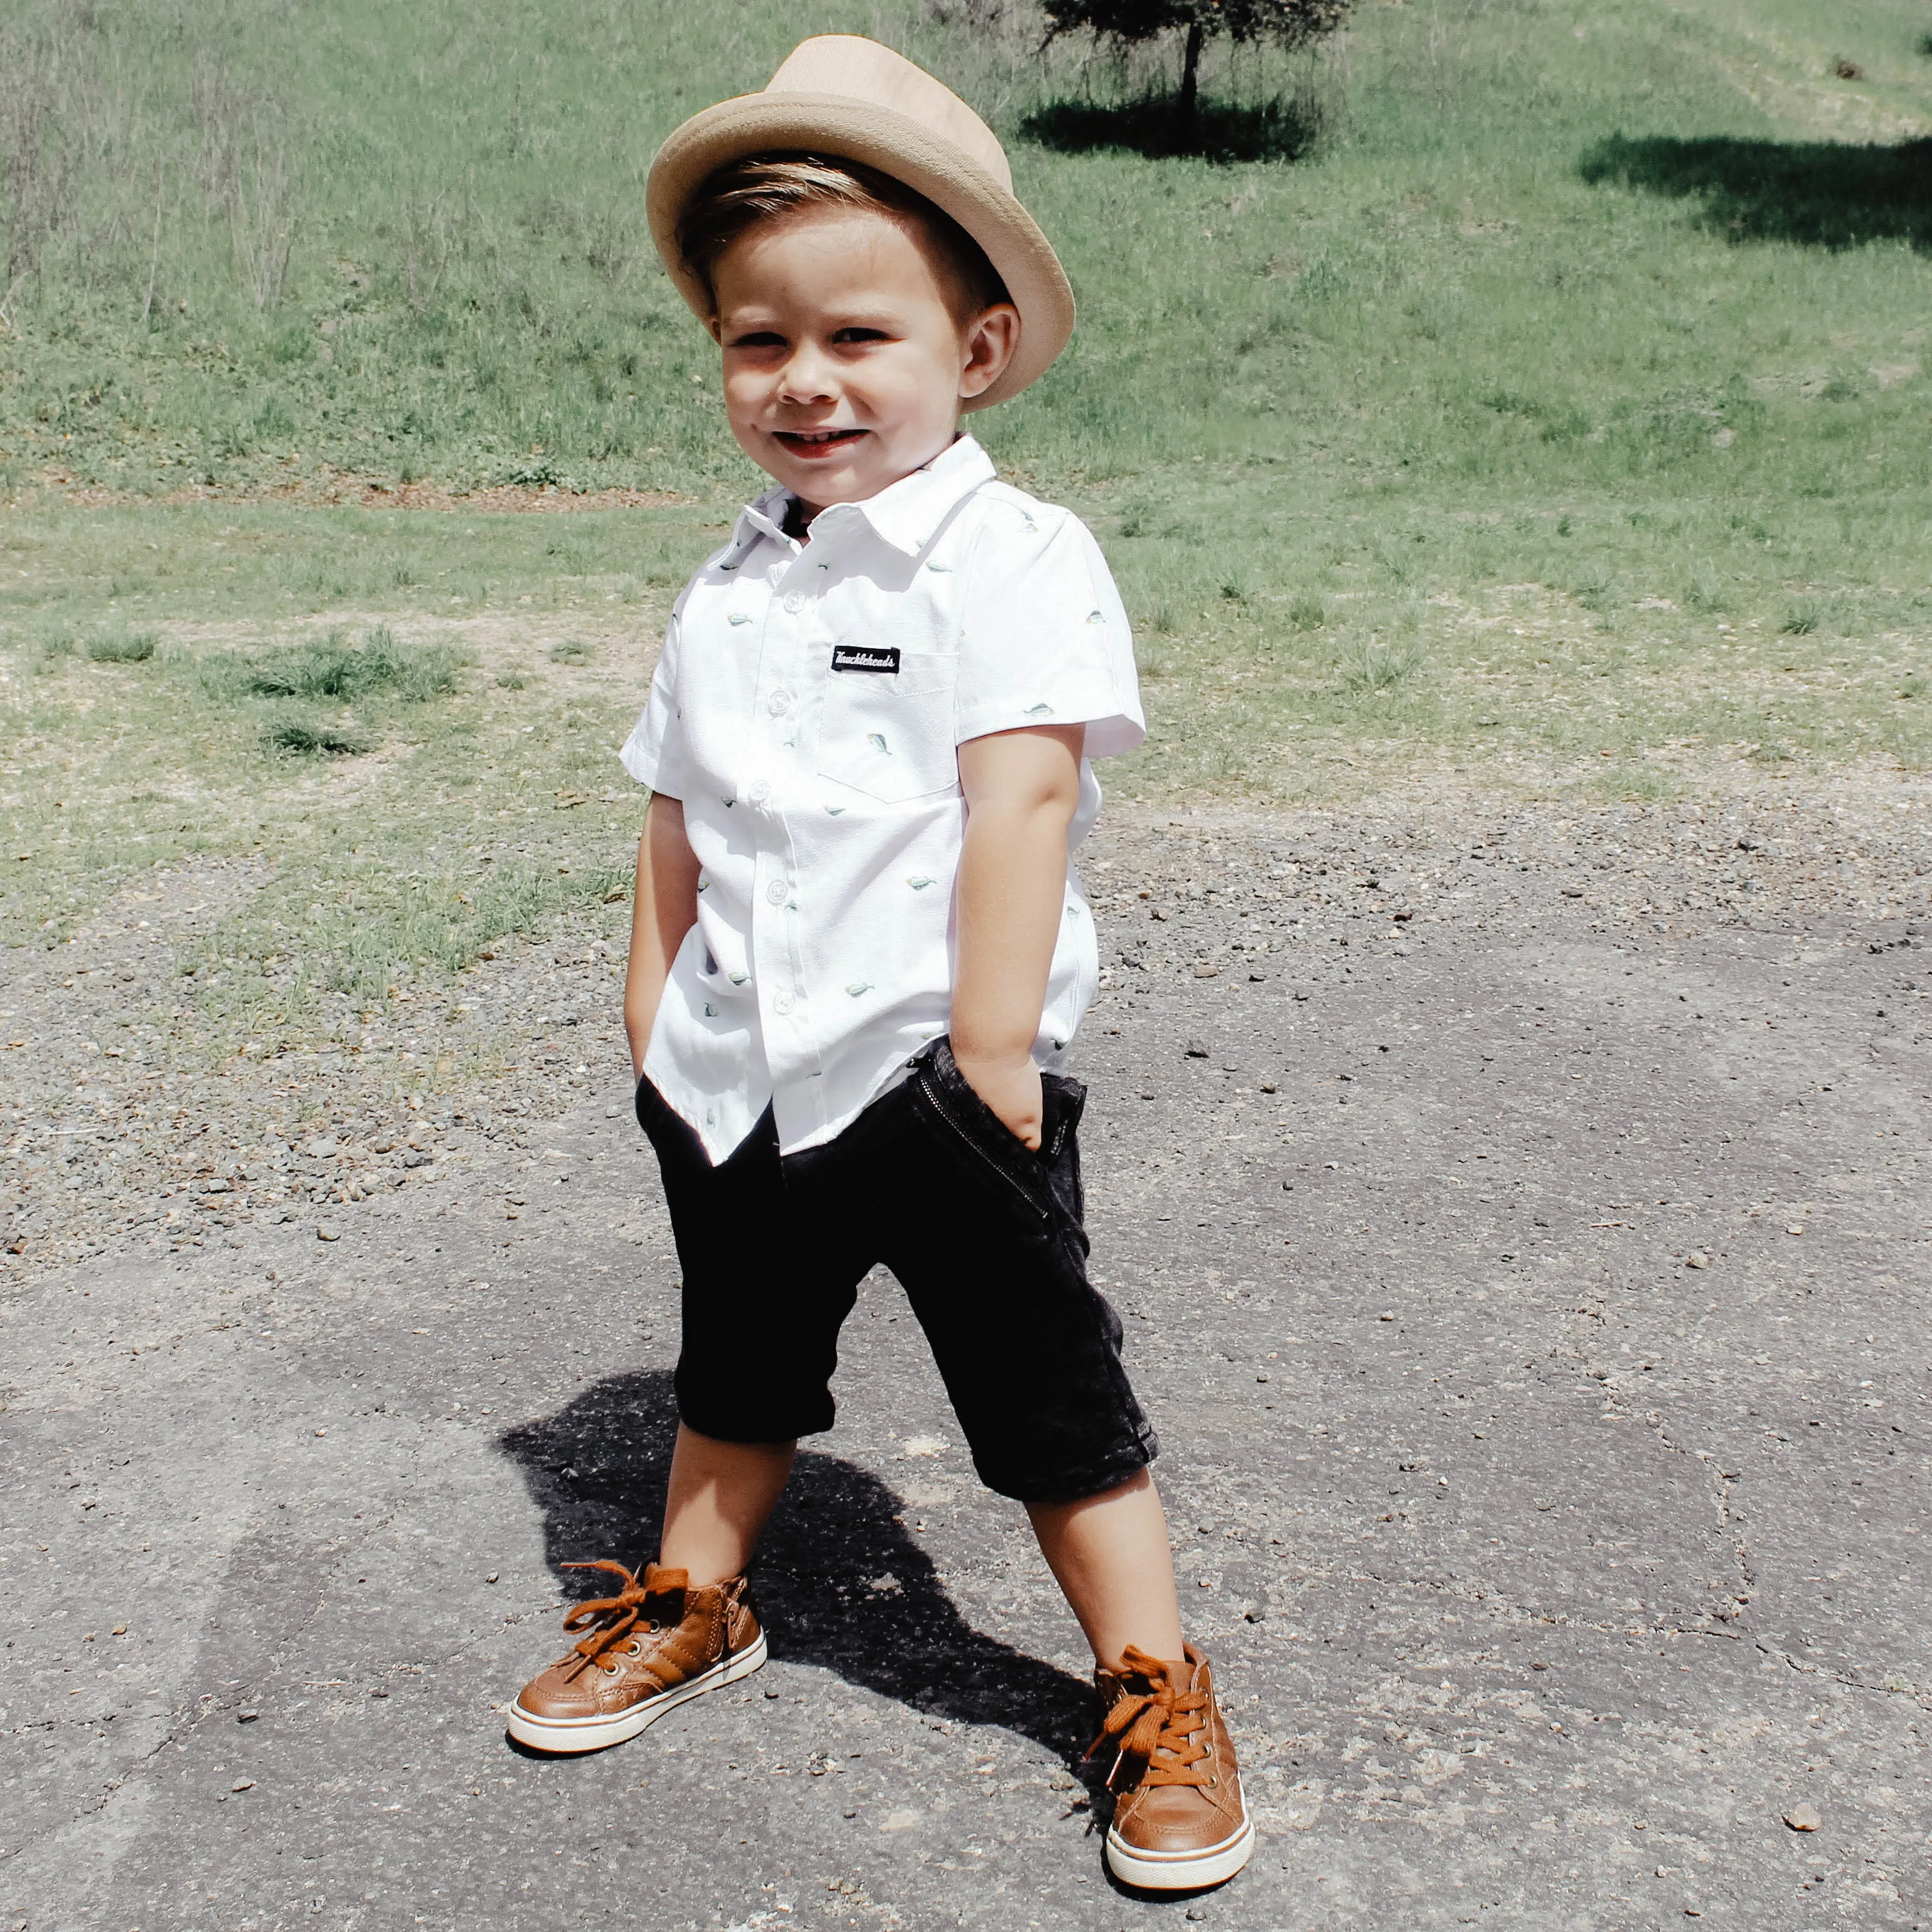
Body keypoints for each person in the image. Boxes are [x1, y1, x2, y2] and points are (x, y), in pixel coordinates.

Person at [504, 35, 1253, 1893]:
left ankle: (1154, 1687)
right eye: (762, 342)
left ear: (975, 350)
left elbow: (1020, 806)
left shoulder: (1010, 559)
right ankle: (698, 1598)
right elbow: (674, 812)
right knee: (736, 1363)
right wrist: (653, 1015)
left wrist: (993, 1061)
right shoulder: (732, 579)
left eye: (860, 337)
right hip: (738, 1066)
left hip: (935, 1070)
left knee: (1048, 1402)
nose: (805, 381)